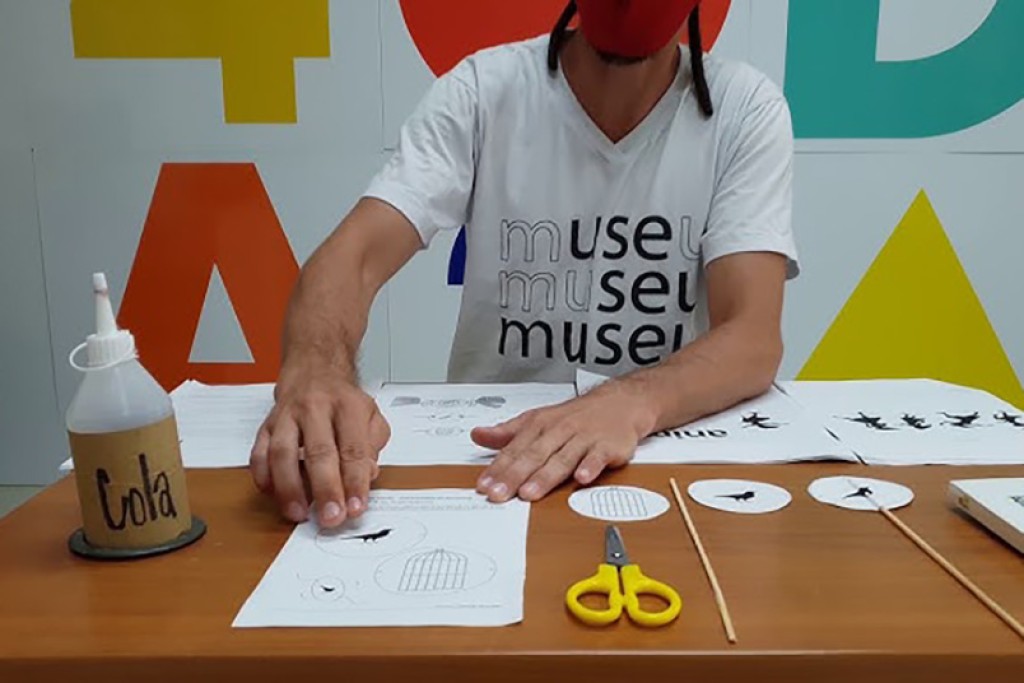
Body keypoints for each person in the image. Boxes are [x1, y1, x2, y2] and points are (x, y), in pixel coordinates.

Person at [249, 0, 798, 528]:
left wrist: (633, 400)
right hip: (488, 462)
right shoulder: (486, 90)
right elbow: (354, 256)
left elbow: (751, 337)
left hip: (659, 459)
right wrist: (317, 372)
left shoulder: (742, 107)